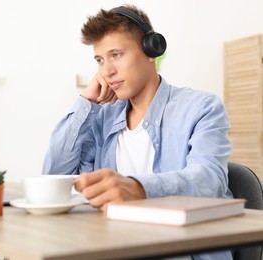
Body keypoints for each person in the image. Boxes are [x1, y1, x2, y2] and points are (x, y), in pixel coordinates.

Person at [42, 5, 233, 259]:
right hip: (114, 248)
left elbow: (210, 180)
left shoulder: (201, 108)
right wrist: (85, 104)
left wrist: (139, 188)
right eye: (100, 60)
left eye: (116, 55)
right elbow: (54, 176)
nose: (106, 71)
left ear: (151, 51)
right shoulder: (102, 117)